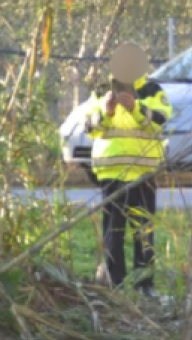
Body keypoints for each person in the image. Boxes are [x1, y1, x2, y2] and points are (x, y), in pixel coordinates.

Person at [79, 43, 173, 295]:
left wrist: (136, 107)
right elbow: (88, 127)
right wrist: (107, 112)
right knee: (114, 231)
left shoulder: (151, 90)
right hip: (112, 173)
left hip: (143, 173)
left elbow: (161, 121)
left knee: (144, 231)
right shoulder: (100, 92)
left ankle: (145, 285)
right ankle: (115, 283)